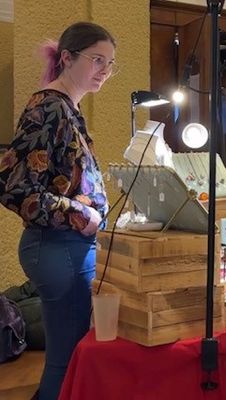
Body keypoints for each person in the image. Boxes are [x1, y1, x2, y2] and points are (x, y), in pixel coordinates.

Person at [0, 22, 115, 399]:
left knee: (70, 357)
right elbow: (13, 187)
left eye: (110, 64)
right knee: (67, 361)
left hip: (66, 247)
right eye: (97, 60)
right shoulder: (48, 107)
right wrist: (82, 215)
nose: (104, 70)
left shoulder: (67, 108)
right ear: (67, 57)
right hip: (58, 247)